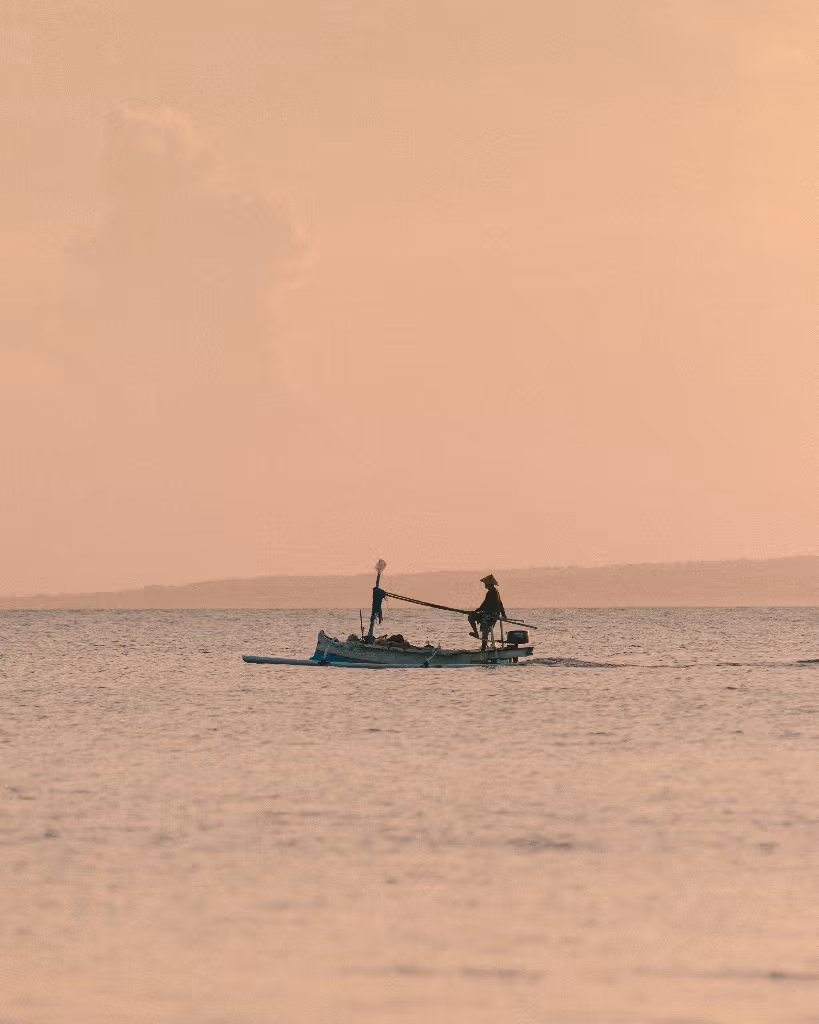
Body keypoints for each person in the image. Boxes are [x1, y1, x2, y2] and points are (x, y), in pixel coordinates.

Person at [468, 574, 506, 650]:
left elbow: (487, 604)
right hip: (486, 613)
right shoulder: (492, 592)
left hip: (492, 614)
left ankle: (483, 647)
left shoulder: (494, 593)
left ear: (489, 584)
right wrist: (476, 611)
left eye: (486, 584)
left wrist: (503, 614)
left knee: (485, 629)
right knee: (471, 617)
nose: (485, 585)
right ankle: (476, 633)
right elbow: (486, 604)